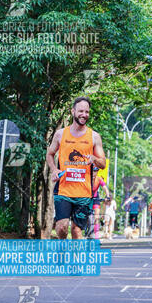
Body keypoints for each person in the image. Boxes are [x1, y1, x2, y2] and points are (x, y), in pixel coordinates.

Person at [47, 96, 106, 239]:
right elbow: (50, 154)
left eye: (87, 112)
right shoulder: (61, 134)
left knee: (76, 230)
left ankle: (75, 259)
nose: (84, 115)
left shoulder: (94, 137)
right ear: (73, 111)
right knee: (61, 227)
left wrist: (94, 159)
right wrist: (54, 169)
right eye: (81, 111)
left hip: (84, 193)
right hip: (63, 190)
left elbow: (103, 163)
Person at [91, 167, 110, 239]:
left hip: (95, 198)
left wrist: (107, 196)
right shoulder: (87, 178)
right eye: (93, 171)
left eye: (96, 171)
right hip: (87, 197)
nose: (94, 173)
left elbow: (105, 188)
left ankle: (96, 235)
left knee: (96, 216)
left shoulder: (99, 179)